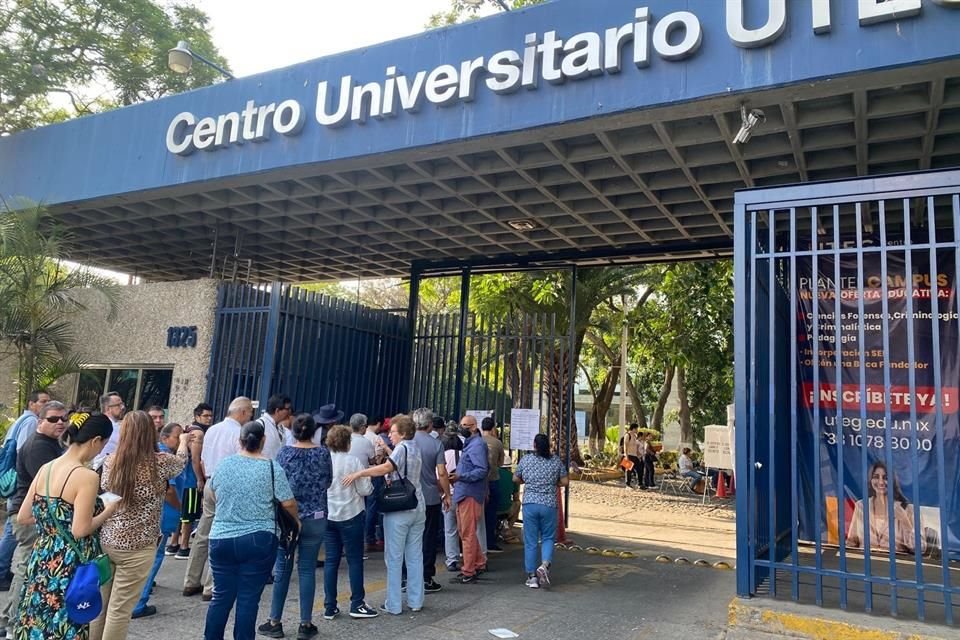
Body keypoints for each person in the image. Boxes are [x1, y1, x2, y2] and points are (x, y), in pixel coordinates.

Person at [13, 412, 118, 640]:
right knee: (67, 624)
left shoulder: (47, 468)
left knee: (37, 621)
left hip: (41, 559)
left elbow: (23, 516)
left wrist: (53, 525)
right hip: (69, 566)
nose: (101, 451)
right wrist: (108, 511)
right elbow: (80, 530)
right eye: (103, 445)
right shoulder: (86, 476)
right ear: (95, 441)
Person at [91, 410, 189, 640]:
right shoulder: (160, 463)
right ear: (150, 432)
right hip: (139, 545)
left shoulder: (111, 460)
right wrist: (183, 441)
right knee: (120, 610)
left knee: (101, 606)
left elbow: (106, 492)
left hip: (108, 540)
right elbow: (182, 462)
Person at [204, 421, 298, 640]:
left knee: (221, 597)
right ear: (263, 441)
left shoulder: (224, 464)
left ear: (240, 441)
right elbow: (288, 503)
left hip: (222, 538)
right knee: (248, 599)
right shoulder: (272, 468)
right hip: (259, 538)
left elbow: (214, 493)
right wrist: (296, 522)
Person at [258, 414, 332, 639]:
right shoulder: (322, 453)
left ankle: (275, 621)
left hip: (288, 519)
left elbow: (277, 484)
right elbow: (328, 480)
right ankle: (305, 623)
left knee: (282, 569)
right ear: (313, 431)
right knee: (307, 568)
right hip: (316, 515)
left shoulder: (284, 453)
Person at [343, 414, 425, 615]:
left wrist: (360, 473)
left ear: (403, 433)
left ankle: (394, 604)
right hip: (417, 505)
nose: (390, 435)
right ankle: (416, 601)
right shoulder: (415, 448)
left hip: (399, 509)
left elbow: (388, 467)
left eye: (394, 432)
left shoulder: (402, 448)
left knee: (394, 557)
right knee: (414, 556)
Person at [0, 399, 63, 635]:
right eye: (53, 419)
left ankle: (10, 619)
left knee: (27, 569)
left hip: (31, 514)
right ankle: (11, 623)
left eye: (63, 418)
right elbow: (50, 485)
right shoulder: (39, 446)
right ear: (40, 421)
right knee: (26, 570)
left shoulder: (49, 443)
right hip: (28, 516)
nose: (60, 423)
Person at [184, 397, 254, 601]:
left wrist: (204, 479)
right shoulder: (238, 433)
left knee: (203, 533)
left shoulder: (212, 430)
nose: (250, 416)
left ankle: (191, 580)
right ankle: (211, 586)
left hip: (210, 481)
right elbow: (241, 461)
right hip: (228, 484)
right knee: (222, 533)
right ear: (242, 412)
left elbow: (203, 459)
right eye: (249, 412)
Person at [132, 422, 188, 619]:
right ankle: (139, 602)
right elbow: (169, 489)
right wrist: (180, 507)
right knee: (153, 558)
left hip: (147, 516)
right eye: (177, 436)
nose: (181, 439)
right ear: (164, 438)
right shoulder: (163, 457)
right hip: (161, 515)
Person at [322, 425, 378, 621]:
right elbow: (365, 490)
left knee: (331, 561)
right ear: (347, 442)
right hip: (351, 514)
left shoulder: (324, 460)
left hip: (329, 516)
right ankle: (357, 603)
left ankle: (330, 606)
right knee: (354, 560)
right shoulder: (353, 461)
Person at [514, 433, 568, 589]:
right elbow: (565, 481)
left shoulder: (526, 459)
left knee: (530, 541)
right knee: (548, 538)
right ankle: (544, 566)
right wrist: (553, 483)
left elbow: (515, 478)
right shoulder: (555, 461)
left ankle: (531, 577)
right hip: (549, 504)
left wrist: (527, 480)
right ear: (548, 446)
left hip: (530, 503)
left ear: (534, 446)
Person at [409, 408, 451, 593]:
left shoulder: (406, 442)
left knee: (408, 537)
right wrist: (447, 494)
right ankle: (426, 577)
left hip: (408, 497)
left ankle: (406, 576)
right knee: (428, 538)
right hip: (430, 498)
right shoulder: (436, 444)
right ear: (430, 424)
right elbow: (441, 472)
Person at [845, 461, 924, 555]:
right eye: (876, 477)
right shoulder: (861, 506)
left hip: (896, 567)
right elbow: (851, 542)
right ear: (870, 480)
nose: (881, 482)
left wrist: (905, 521)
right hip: (864, 565)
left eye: (885, 478)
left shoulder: (909, 510)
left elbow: (920, 549)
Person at [450, 414, 489, 584]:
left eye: (466, 425)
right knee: (465, 531)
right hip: (464, 492)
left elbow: (481, 470)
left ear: (474, 427)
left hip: (469, 493)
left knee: (467, 533)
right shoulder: (471, 444)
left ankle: (468, 570)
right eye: (461, 425)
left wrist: (460, 476)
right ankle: (478, 563)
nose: (462, 428)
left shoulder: (477, 445)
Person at [440, 426, 463, 572]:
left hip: (448, 495)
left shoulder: (442, 456)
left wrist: (444, 494)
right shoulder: (465, 455)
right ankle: (470, 557)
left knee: (450, 530)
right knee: (467, 529)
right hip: (464, 496)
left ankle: (452, 559)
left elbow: (440, 476)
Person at [363, 416, 387, 552]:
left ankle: (365, 538)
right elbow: (377, 461)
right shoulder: (377, 439)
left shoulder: (360, 436)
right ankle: (370, 539)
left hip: (360, 475)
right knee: (373, 507)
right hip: (374, 475)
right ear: (378, 424)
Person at [481, 417, 505, 553]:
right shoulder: (497, 443)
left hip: (479, 482)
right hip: (493, 479)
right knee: (491, 513)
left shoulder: (476, 441)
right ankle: (490, 541)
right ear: (493, 428)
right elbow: (501, 463)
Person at [257, 394, 292, 460]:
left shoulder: (281, 427)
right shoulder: (260, 425)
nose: (290, 412)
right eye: (287, 409)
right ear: (277, 411)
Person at [622, 424, 642, 489]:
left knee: (639, 469)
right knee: (628, 470)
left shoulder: (635, 436)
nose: (637, 430)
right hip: (629, 454)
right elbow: (625, 445)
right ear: (633, 428)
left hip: (635, 455)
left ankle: (640, 484)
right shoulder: (627, 435)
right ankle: (627, 485)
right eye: (636, 429)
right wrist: (626, 455)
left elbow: (635, 446)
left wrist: (638, 454)